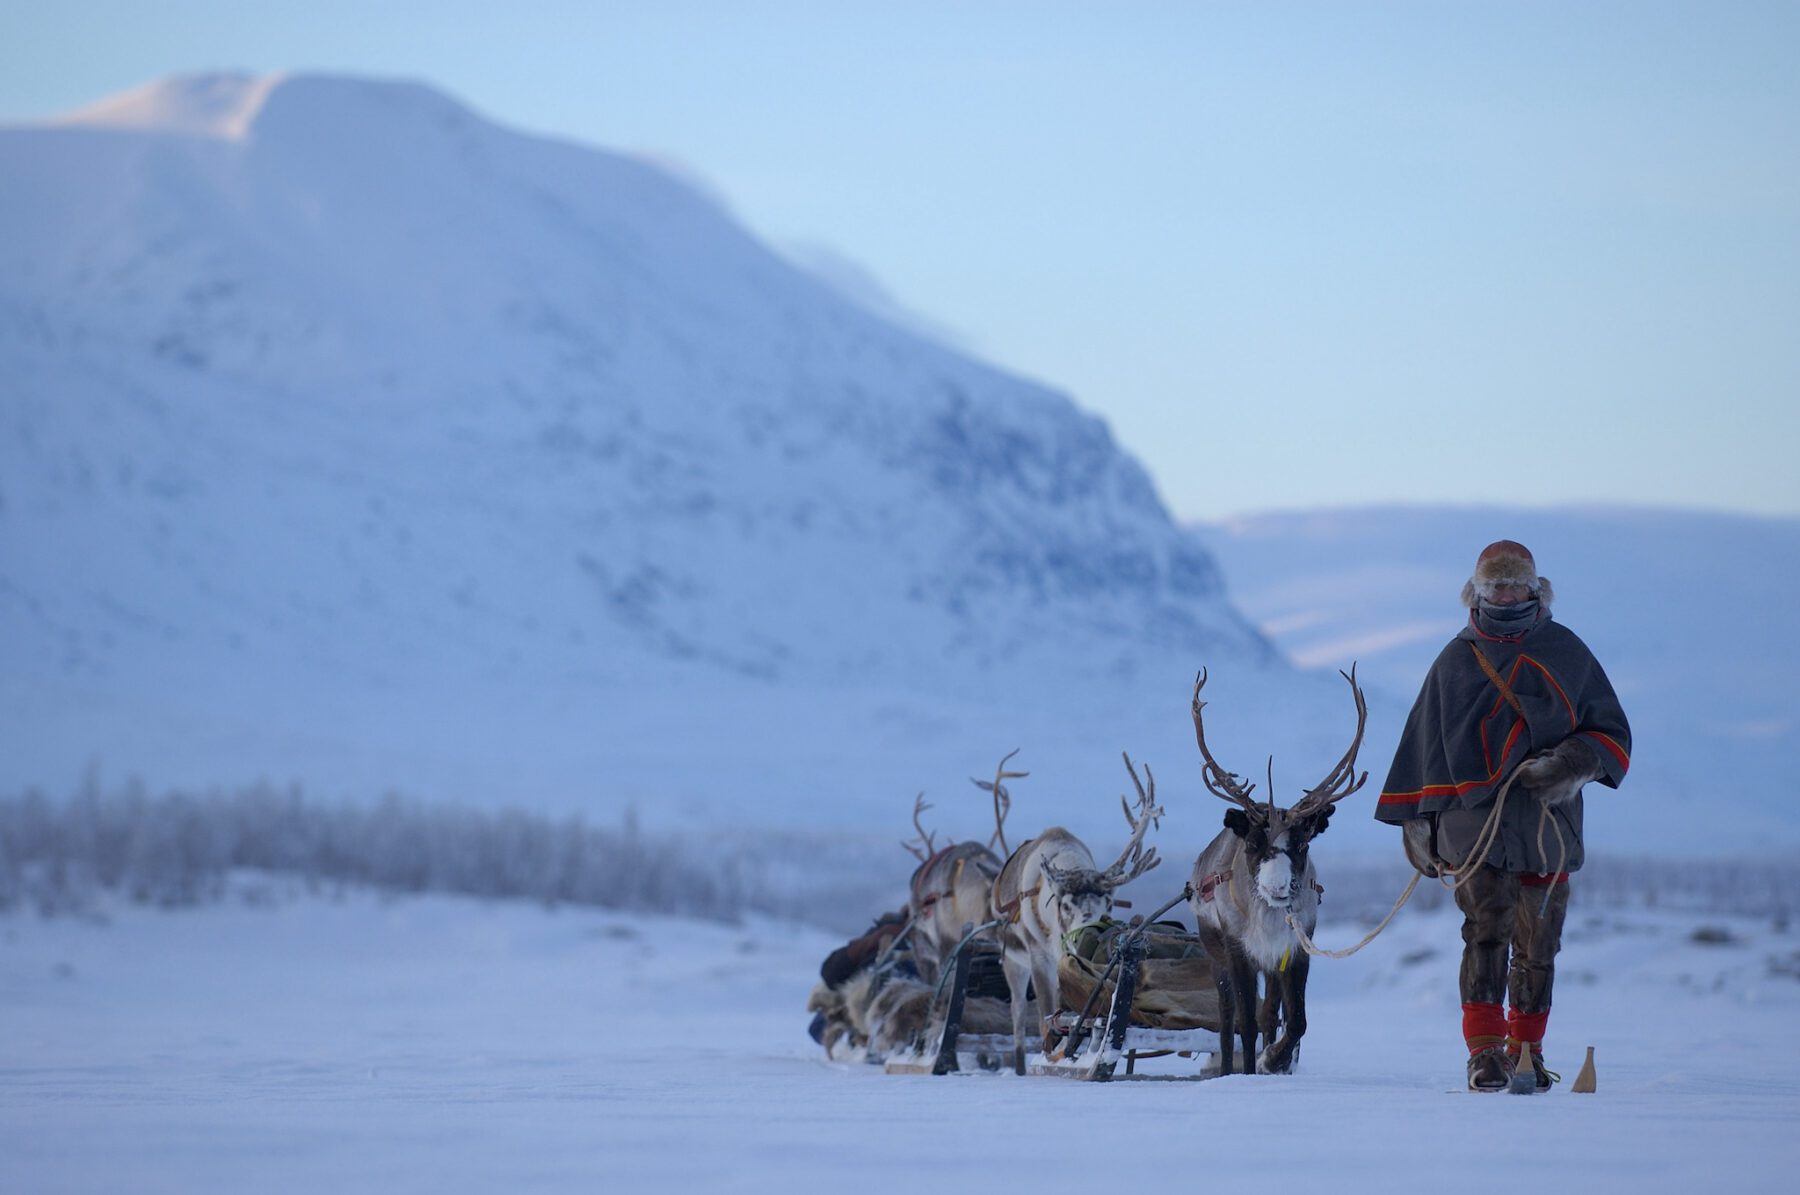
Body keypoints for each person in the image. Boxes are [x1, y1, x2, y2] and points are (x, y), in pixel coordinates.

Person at [1375, 541, 1630, 1092]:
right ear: (1478, 591)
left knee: (1540, 939)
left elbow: (1610, 732)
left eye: (1516, 585)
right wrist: (1420, 823)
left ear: (1535, 589)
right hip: (1475, 822)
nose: (1507, 594)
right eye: (1496, 586)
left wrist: (1570, 763)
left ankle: (1527, 1050)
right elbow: (1423, 748)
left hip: (1546, 822)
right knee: (1485, 930)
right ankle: (1486, 1053)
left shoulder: (1566, 651)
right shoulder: (1455, 659)